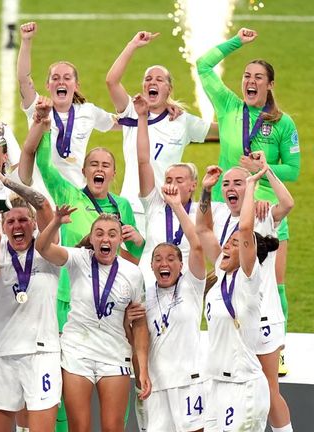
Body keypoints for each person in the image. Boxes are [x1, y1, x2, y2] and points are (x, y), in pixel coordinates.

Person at [197, 28, 300, 377]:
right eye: (246, 76)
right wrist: (237, 42)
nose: (250, 81)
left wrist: (265, 168)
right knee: (228, 274)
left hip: (267, 210)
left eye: (258, 77)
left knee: (275, 281)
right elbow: (203, 65)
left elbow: (295, 169)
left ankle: (278, 350)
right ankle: (232, 336)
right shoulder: (228, 106)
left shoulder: (282, 123)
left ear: (270, 85)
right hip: (232, 208)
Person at [19, 96, 145, 328]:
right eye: (94, 164)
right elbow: (46, 167)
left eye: (105, 165)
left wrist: (139, 240)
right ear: (84, 170)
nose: (99, 168)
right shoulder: (69, 196)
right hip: (70, 294)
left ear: (113, 174)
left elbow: (134, 255)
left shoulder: (122, 206)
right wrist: (46, 128)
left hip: (109, 294)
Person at [199, 160, 294, 432]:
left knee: (268, 384)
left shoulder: (262, 214)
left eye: (238, 182)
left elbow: (287, 204)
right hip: (234, 312)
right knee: (241, 379)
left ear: (249, 187)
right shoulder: (220, 216)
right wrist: (206, 191)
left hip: (262, 314)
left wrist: (266, 173)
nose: (231, 187)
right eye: (226, 183)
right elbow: (202, 228)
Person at [36, 211, 151, 432]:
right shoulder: (79, 259)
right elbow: (42, 248)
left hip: (114, 353)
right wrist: (56, 222)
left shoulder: (133, 273)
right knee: (79, 427)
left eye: (111, 234)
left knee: (113, 427)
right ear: (92, 239)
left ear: (119, 240)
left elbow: (139, 324)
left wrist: (143, 369)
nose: (105, 239)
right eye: (99, 234)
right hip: (77, 351)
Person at [107, 31, 216, 232]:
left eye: (159, 79)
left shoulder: (181, 120)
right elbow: (111, 81)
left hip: (168, 209)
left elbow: (220, 132)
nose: (152, 82)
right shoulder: (132, 110)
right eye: (148, 79)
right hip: (132, 208)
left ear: (169, 89)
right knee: (130, 264)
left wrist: (243, 116)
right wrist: (133, 44)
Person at [0, 168, 62, 432]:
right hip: (3, 352)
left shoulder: (47, 246)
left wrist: (4, 181)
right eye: (11, 222)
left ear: (35, 224)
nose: (18, 225)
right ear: (3, 227)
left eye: (24, 220)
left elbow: (43, 203)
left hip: (41, 353)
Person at [133, 182, 206, 432]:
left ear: (181, 264)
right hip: (156, 383)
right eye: (158, 259)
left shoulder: (192, 285)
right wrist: (142, 371)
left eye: (171, 258)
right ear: (151, 266)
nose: (164, 263)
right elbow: (139, 337)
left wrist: (176, 206)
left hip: (189, 381)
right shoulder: (144, 295)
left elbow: (197, 245)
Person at [17, 21, 116, 188]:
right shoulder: (39, 107)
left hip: (75, 194)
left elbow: (124, 122)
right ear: (48, 85)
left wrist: (159, 111)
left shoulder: (88, 111)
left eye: (67, 78)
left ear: (76, 85)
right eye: (55, 78)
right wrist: (26, 41)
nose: (61, 81)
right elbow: (23, 80)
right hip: (42, 195)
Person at [132, 94, 199, 287]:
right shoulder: (154, 204)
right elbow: (143, 161)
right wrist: (143, 117)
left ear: (193, 185)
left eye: (180, 180)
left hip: (184, 288)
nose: (173, 184)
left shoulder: (201, 214)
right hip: (149, 285)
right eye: (169, 179)